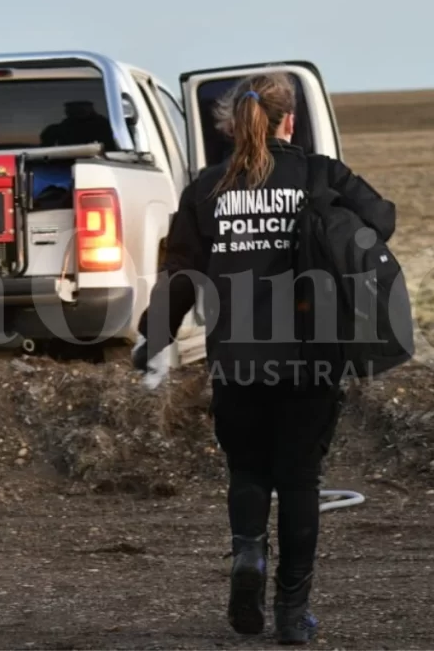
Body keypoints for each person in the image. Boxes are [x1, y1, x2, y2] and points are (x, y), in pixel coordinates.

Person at [133, 72, 395, 644]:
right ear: (290, 121)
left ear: (231, 124)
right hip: (312, 354)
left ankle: (248, 557)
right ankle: (292, 613)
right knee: (300, 481)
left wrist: (153, 338)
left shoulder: (206, 188)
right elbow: (384, 219)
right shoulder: (318, 174)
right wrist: (328, 219)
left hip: (238, 357)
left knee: (248, 470)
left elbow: (180, 276)